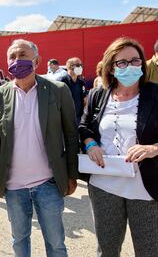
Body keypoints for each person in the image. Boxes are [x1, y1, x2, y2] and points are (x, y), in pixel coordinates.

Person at [0, 39, 79, 257]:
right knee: (19, 242)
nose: (17, 60)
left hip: (48, 182)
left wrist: (71, 174)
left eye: (22, 55)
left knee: (56, 243)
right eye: (12, 56)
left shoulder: (58, 90)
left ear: (36, 61)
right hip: (14, 186)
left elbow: (70, 134)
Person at [79, 37, 158, 257]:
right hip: (104, 184)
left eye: (134, 61)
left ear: (142, 63)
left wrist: (153, 148)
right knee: (107, 250)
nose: (129, 66)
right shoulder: (98, 95)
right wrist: (91, 144)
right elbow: (84, 127)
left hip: (145, 186)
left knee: (149, 250)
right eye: (121, 62)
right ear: (111, 68)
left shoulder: (155, 94)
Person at [59, 57, 88, 123]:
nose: (80, 67)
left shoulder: (81, 82)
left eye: (81, 65)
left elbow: (85, 100)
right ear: (69, 66)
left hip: (79, 118)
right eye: (78, 65)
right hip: (65, 119)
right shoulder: (62, 82)